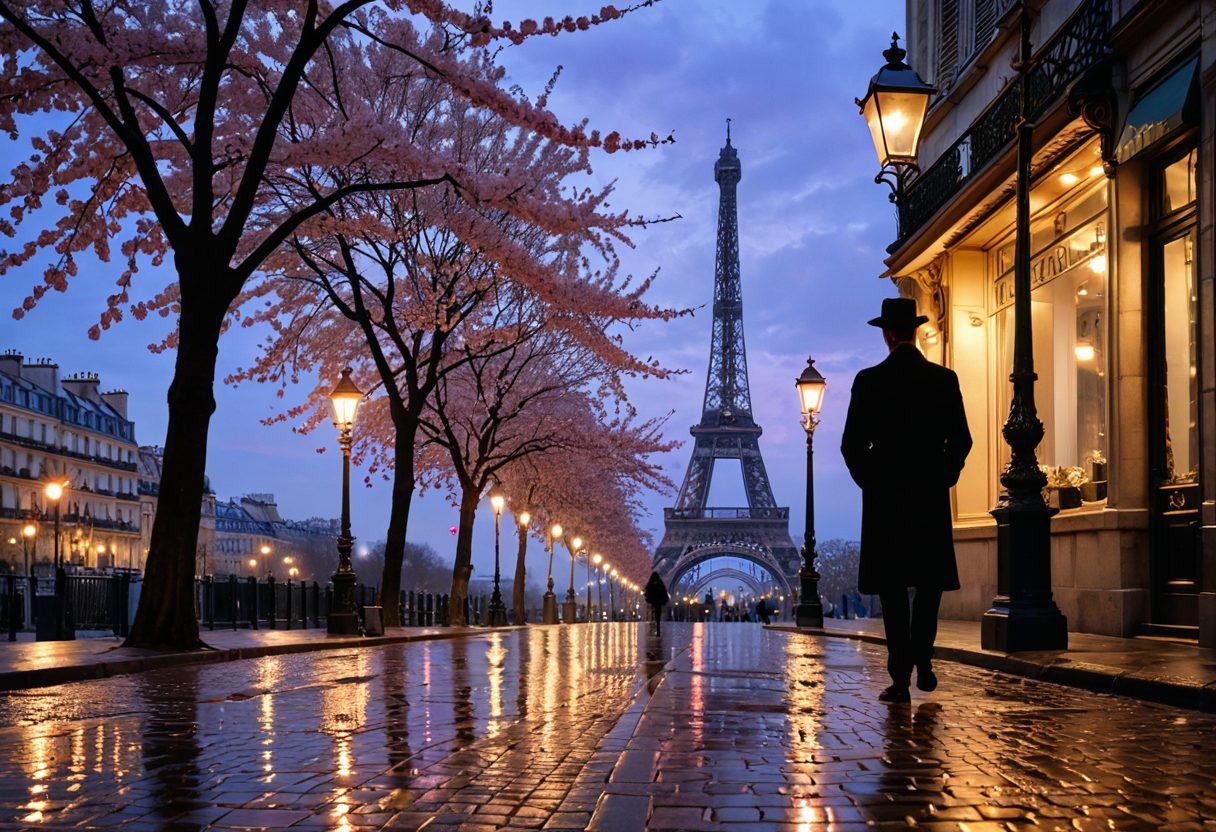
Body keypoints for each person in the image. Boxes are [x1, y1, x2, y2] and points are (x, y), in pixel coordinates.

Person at [841, 297, 972, 704]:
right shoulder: (943, 379)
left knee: (893, 592)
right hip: (929, 498)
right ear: (914, 331)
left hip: (886, 503)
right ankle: (925, 660)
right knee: (929, 587)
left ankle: (900, 678)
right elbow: (962, 440)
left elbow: (851, 446)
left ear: (885, 334)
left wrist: (873, 483)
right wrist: (942, 476)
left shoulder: (868, 381)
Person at [643, 571, 669, 636]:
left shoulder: (650, 583)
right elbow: (664, 592)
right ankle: (658, 624)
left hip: (653, 601)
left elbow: (647, 591)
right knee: (658, 612)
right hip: (658, 602)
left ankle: (654, 622)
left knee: (653, 611)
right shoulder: (660, 583)